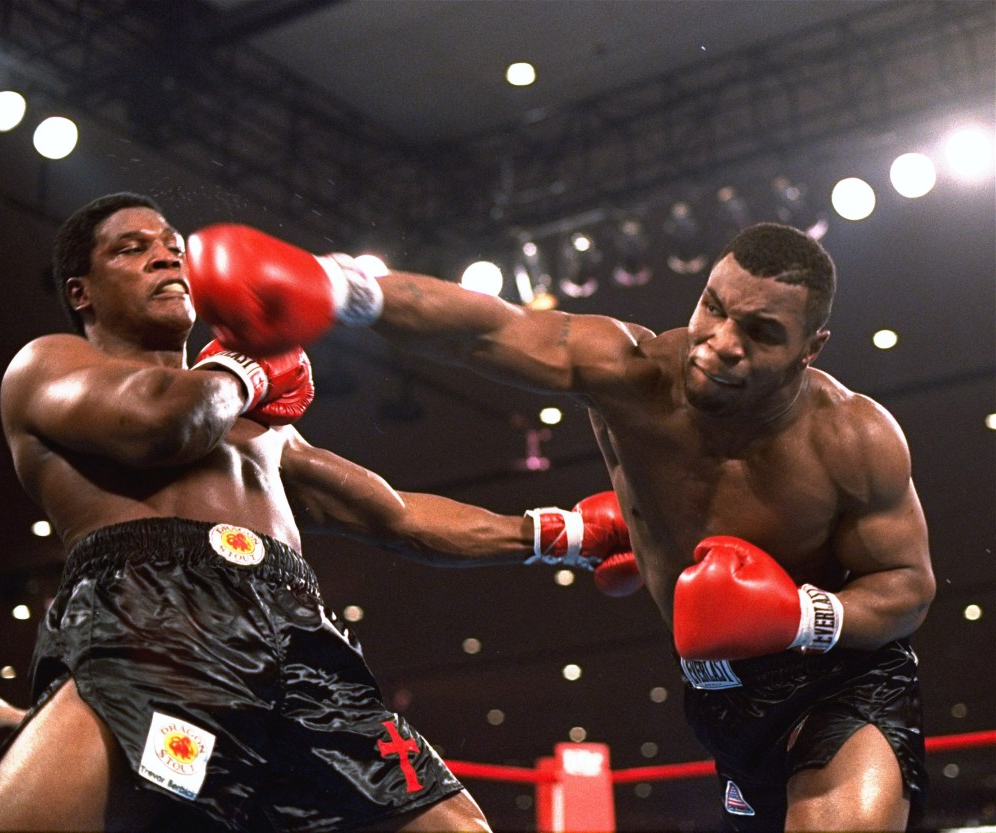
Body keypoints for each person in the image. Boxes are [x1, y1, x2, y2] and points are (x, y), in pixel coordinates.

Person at [186, 220, 935, 831]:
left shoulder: (852, 438)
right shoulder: (635, 375)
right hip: (718, 695)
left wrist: (801, 613)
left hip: (843, 683)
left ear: (812, 348)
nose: (720, 341)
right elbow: (491, 331)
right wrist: (343, 288)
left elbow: (907, 585)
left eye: (762, 332)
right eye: (714, 305)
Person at [0, 193, 631, 833]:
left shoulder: (248, 411)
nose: (166, 258)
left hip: (301, 644)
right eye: (132, 248)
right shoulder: (51, 365)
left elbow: (393, 516)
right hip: (154, 626)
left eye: (174, 246)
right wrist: (249, 362)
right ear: (81, 291)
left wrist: (565, 534)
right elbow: (161, 425)